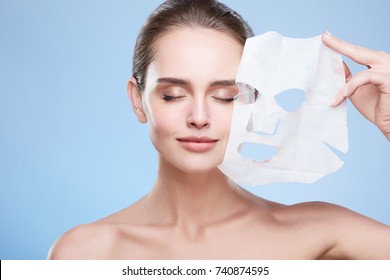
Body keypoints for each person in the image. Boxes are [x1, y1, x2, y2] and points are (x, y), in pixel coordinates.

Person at [48, 0, 390, 259]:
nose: (199, 116)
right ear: (138, 100)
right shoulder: (86, 252)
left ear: (253, 100)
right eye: (173, 95)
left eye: (225, 97)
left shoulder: (320, 233)